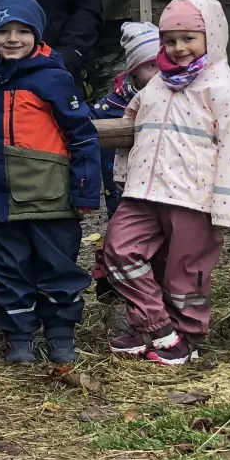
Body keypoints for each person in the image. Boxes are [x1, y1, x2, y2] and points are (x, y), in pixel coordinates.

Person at [104, 0, 230, 367]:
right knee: (119, 251)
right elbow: (132, 123)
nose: (179, 48)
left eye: (188, 38)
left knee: (185, 270)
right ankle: (155, 325)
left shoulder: (222, 88)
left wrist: (226, 205)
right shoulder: (157, 84)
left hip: (193, 193)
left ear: (211, 37)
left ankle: (186, 335)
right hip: (143, 190)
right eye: (170, 41)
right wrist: (123, 173)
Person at [0, 0, 100, 366]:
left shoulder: (53, 79)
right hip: (1, 202)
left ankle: (60, 334)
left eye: (23, 30)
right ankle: (18, 335)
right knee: (8, 270)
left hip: (51, 200)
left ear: (37, 35)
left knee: (58, 268)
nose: (12, 38)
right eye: (3, 30)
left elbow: (82, 136)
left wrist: (86, 190)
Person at [89, 21, 160, 334]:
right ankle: (114, 280)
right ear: (134, 71)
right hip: (120, 183)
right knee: (121, 231)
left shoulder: (181, 98)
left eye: (163, 64)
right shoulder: (109, 106)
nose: (158, 73)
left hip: (164, 183)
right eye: (150, 67)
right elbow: (86, 132)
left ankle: (157, 287)